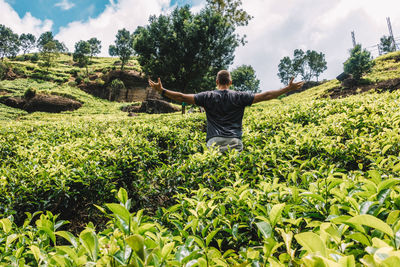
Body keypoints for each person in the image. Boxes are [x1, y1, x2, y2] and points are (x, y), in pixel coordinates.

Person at [149, 70, 304, 152]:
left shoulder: (207, 96)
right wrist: (287, 88)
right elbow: (266, 95)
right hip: (234, 141)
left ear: (216, 82)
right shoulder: (240, 96)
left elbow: (181, 96)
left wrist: (162, 90)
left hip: (214, 141)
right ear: (230, 82)